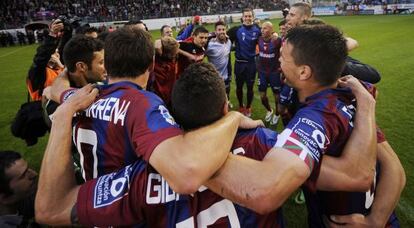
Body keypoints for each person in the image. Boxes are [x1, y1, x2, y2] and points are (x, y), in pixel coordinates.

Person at [36, 63, 375, 227]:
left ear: (173, 116)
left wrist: (64, 114)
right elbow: (353, 175)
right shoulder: (265, 145)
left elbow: (50, 210)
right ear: (226, 108)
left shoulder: (144, 174)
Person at [37, 28, 258, 225]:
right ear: (151, 64)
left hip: (93, 203)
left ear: (109, 63)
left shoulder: (81, 97)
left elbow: (54, 89)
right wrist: (233, 118)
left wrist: (64, 75)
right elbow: (184, 174)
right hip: (126, 209)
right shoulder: (141, 103)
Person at [205, 24, 404, 227]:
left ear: (303, 72)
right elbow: (394, 167)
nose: (278, 60)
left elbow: (265, 190)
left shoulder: (316, 117)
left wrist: (195, 162)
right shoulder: (351, 97)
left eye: (283, 56)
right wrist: (377, 219)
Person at [228, 8, 261, 117]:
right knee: (239, 87)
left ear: (253, 17)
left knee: (250, 87)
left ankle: (248, 107)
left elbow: (267, 36)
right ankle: (241, 106)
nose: (247, 18)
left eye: (249, 16)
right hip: (239, 64)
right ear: (242, 17)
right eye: (245, 16)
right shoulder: (236, 30)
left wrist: (274, 34)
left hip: (251, 64)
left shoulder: (257, 30)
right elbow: (223, 36)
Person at [27, 19, 65, 101]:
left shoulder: (61, 69)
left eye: (56, 52)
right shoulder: (39, 71)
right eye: (52, 53)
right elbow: (41, 57)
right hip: (43, 109)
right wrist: (52, 35)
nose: (55, 55)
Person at [0, 151, 38, 228]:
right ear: (5, 198)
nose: (34, 174)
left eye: (28, 169)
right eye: (24, 175)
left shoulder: (17, 201)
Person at [257, 21, 283, 125]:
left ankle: (277, 113)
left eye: (265, 28)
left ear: (271, 30)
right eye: (262, 28)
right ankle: (269, 110)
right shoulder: (258, 39)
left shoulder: (277, 41)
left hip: (274, 73)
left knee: (277, 97)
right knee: (262, 96)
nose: (262, 30)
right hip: (262, 72)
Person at [205, 21, 232, 106]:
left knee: (227, 91)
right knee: (216, 97)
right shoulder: (210, 45)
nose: (221, 31)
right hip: (214, 76)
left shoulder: (229, 42)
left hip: (225, 75)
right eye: (219, 30)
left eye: (223, 29)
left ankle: (227, 101)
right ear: (215, 31)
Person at [151, 36, 180, 106]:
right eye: (175, 54)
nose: (176, 55)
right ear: (170, 55)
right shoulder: (170, 66)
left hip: (154, 100)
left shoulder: (152, 61)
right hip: (166, 100)